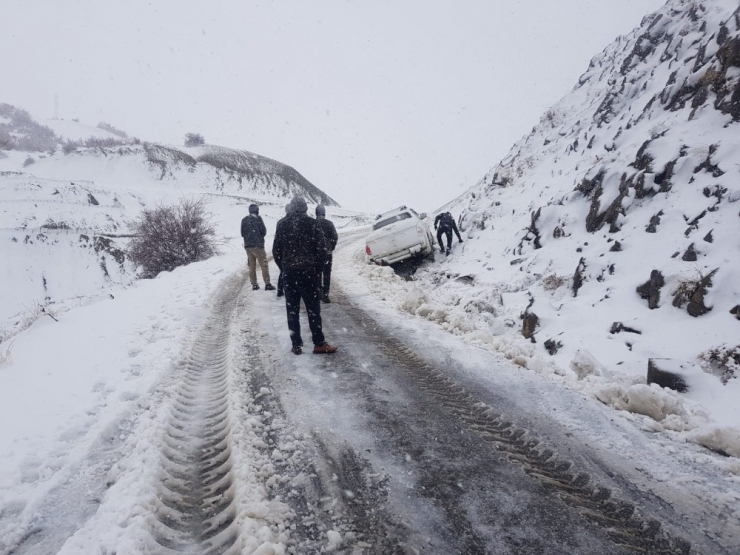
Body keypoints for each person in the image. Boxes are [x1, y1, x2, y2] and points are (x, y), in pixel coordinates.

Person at [272, 196, 338, 355]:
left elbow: (276, 251)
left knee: (292, 310)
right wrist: (316, 270)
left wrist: (284, 268)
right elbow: (322, 250)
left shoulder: (282, 225)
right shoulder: (312, 224)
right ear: (305, 208)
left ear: (292, 208)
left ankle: (296, 344)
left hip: (289, 274)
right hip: (308, 273)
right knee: (313, 309)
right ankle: (319, 343)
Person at [241, 204, 275, 291]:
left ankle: (254, 285)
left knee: (251, 266)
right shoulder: (258, 219)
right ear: (257, 210)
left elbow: (242, 233)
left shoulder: (244, 220)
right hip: (258, 246)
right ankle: (267, 284)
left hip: (248, 246)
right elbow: (263, 231)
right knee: (264, 265)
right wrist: (258, 237)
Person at [315, 204, 338, 303]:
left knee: (317, 273)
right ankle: (326, 294)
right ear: (324, 213)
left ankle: (318, 291)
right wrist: (331, 247)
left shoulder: (313, 223)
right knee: (327, 274)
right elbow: (335, 237)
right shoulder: (329, 223)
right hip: (327, 253)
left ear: (316, 213)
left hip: (316, 254)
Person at [275, 203, 293, 298]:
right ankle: (287, 290)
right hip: (290, 251)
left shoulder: (280, 222)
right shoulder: (293, 222)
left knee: (282, 271)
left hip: (282, 250)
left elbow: (277, 239)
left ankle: (280, 289)